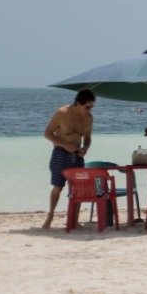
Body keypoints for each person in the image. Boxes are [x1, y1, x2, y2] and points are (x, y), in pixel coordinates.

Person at [42, 89, 96, 229]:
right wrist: (65, 145)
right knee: (58, 187)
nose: (89, 110)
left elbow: (88, 138)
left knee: (78, 189)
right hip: (60, 152)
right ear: (78, 103)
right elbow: (47, 134)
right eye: (87, 107)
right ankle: (50, 216)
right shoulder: (62, 113)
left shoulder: (88, 118)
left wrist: (85, 149)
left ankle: (74, 220)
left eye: (91, 107)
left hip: (77, 155)